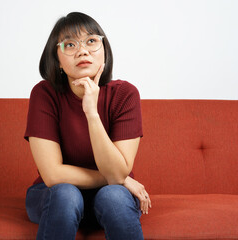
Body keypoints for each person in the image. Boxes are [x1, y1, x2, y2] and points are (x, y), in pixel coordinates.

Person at [24, 12, 151, 240]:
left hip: (113, 197)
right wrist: (121, 178)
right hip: (54, 197)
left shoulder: (125, 94)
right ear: (58, 60)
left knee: (113, 196)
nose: (83, 50)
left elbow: (117, 174)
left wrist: (91, 112)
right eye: (70, 44)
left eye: (91, 41)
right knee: (66, 193)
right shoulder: (44, 94)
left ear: (104, 50)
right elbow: (53, 175)